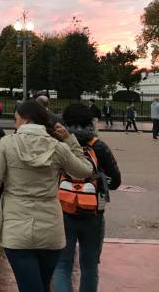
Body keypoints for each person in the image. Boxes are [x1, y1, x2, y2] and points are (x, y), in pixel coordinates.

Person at [0, 100, 94, 292]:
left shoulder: (7, 144)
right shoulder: (57, 147)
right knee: (42, 285)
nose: (15, 123)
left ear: (25, 119)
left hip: (17, 228)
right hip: (50, 228)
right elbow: (85, 171)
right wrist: (70, 140)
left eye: (16, 119)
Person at [52, 103, 122, 292]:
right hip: (93, 213)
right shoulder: (98, 146)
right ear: (90, 122)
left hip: (63, 210)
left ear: (64, 122)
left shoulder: (58, 145)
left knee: (62, 265)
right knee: (90, 266)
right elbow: (116, 181)